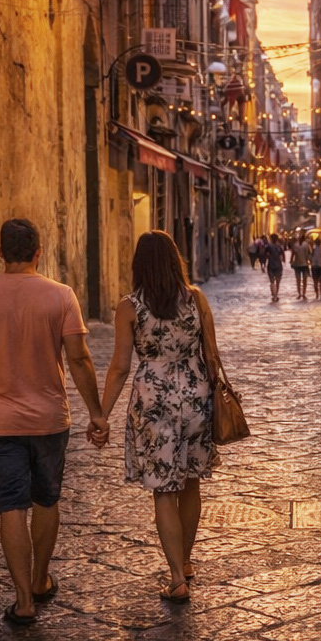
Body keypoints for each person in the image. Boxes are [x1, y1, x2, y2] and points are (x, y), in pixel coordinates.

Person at [0, 218, 107, 627]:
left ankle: (22, 601)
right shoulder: (60, 296)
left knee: (10, 507)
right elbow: (78, 358)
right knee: (46, 499)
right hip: (48, 420)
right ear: (39, 252)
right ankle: (41, 580)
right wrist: (95, 412)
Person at [99, 231, 221, 604]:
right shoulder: (195, 298)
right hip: (197, 395)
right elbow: (212, 355)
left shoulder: (129, 307)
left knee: (164, 491)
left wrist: (100, 415)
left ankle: (175, 577)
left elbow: (120, 367)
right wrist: (217, 398)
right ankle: (185, 561)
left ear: (139, 265)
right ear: (175, 261)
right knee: (191, 483)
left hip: (154, 400)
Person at [290, 234, 313, 300]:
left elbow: (293, 254)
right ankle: (303, 293)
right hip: (305, 264)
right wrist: (310, 262)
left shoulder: (295, 245)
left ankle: (299, 293)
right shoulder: (306, 245)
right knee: (304, 280)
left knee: (298, 279)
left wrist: (291, 262)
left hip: (297, 264)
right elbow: (309, 254)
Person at [264, 234, 285, 303]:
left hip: (271, 265)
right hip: (278, 265)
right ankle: (276, 294)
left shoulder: (268, 246)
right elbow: (283, 255)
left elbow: (265, 254)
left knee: (272, 281)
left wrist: (268, 258)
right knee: (278, 282)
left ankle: (274, 294)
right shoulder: (279, 246)